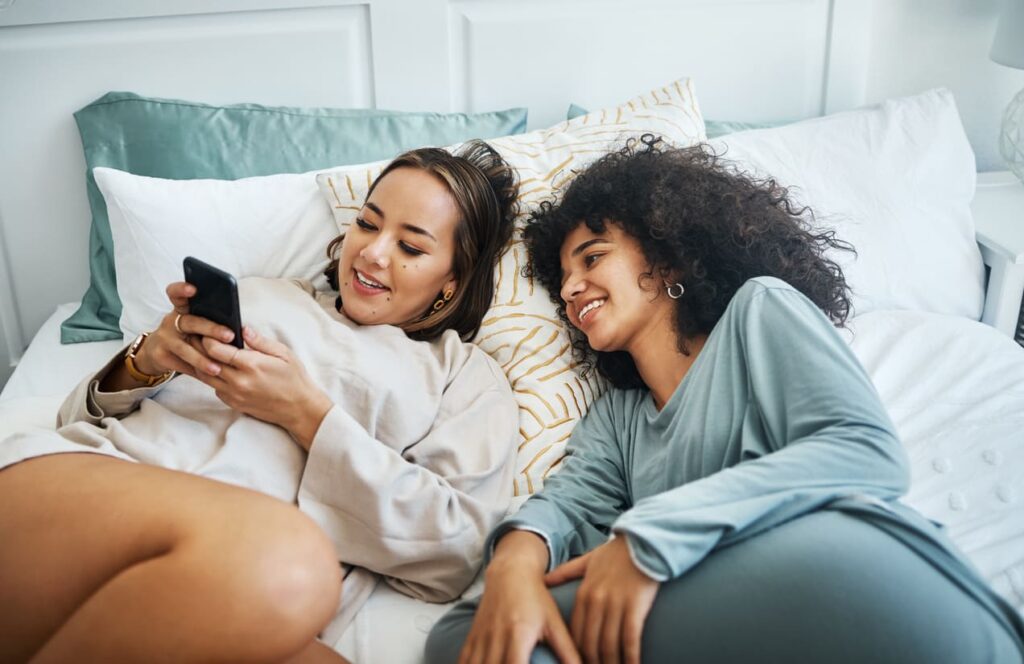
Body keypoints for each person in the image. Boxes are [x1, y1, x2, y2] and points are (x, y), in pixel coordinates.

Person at [425, 135, 1024, 664]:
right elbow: (568, 504)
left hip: (852, 572)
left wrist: (650, 538)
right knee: (460, 636)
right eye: (563, 282)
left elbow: (864, 451)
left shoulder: (758, 312)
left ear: (663, 260)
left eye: (592, 258)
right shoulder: (618, 420)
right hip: (744, 611)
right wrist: (514, 562)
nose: (573, 287)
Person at [0, 140, 521, 664]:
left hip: (247, 588)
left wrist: (306, 414)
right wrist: (147, 357)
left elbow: (452, 550)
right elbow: (71, 421)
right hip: (100, 486)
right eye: (367, 223)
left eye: (410, 247)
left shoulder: (465, 378)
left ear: (451, 281)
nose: (373, 252)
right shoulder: (261, 294)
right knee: (290, 565)